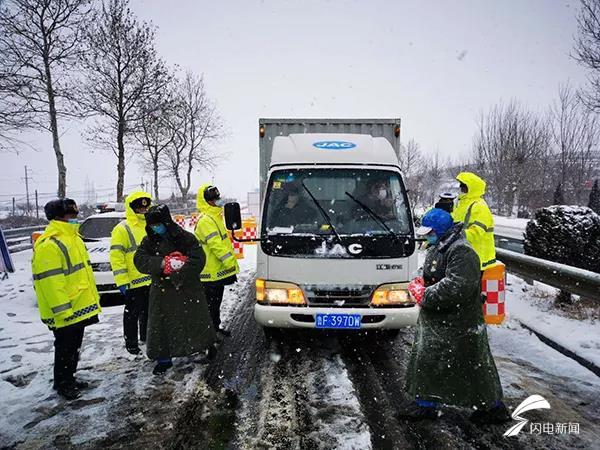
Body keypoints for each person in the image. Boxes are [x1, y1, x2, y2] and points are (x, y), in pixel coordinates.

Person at [399, 208, 509, 424]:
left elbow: (457, 286)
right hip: (440, 319)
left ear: (440, 230)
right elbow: (430, 273)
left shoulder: (461, 251)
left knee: (472, 365)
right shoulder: (440, 246)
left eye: (430, 232)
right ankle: (425, 403)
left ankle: (493, 407)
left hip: (459, 322)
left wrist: (425, 294)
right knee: (429, 361)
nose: (426, 236)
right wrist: (419, 283)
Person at [133, 204, 217, 375]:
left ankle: (205, 346)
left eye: (158, 224)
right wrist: (162, 264)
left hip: (188, 288)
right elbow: (139, 260)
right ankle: (163, 358)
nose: (155, 228)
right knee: (161, 326)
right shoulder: (148, 241)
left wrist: (179, 270)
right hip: (162, 292)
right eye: (152, 225)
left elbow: (199, 259)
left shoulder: (185, 238)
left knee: (196, 320)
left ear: (166, 221)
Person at [31, 199, 102, 399]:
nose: (73, 219)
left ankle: (69, 377)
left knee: (73, 347)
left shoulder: (74, 239)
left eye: (74, 215)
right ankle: (62, 383)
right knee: (64, 348)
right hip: (64, 310)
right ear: (57, 217)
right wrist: (63, 310)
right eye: (69, 216)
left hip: (77, 307)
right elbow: (51, 283)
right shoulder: (49, 245)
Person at [109, 191, 152, 355]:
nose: (143, 210)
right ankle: (131, 343)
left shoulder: (150, 225)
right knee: (132, 314)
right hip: (133, 281)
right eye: (140, 207)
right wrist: (121, 280)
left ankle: (146, 337)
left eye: (146, 206)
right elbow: (116, 256)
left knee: (148, 312)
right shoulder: (122, 229)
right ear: (132, 208)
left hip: (150, 278)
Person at [194, 184, 240, 336]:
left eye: (217, 198)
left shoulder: (215, 217)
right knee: (210, 305)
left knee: (215, 303)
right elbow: (216, 245)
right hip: (209, 272)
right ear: (205, 201)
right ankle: (209, 334)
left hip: (216, 271)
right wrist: (230, 263)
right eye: (212, 199)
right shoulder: (206, 220)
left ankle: (215, 328)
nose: (216, 201)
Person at [451, 172, 496, 271]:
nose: (461, 188)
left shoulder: (479, 206)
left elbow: (477, 232)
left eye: (464, 186)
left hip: (478, 256)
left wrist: (456, 235)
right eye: (460, 185)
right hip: (465, 253)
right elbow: (455, 221)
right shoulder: (461, 204)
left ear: (471, 188)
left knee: (471, 286)